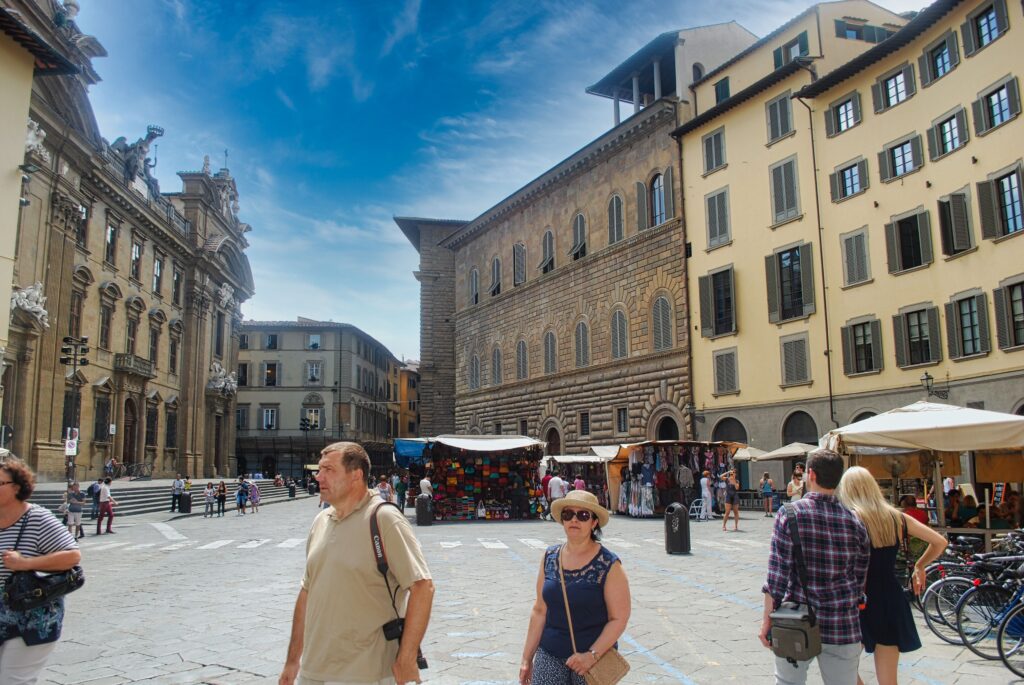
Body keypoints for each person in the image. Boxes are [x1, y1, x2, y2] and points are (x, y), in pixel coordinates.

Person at [279, 442, 434, 685]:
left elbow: (422, 587)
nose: (318, 476)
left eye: (329, 470)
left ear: (356, 475)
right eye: (319, 470)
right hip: (313, 672)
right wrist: (292, 661)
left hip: (369, 673)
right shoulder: (321, 521)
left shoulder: (384, 518)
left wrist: (406, 658)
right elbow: (307, 592)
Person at [759, 449, 871, 685]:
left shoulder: (789, 514)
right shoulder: (855, 522)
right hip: (843, 623)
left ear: (810, 474)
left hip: (796, 620)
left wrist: (767, 621)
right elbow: (860, 580)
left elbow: (776, 577)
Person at [836, 467, 948, 685]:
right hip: (890, 595)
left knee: (843, 667)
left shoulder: (849, 519)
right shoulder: (897, 518)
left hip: (858, 598)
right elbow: (939, 542)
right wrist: (920, 565)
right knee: (888, 680)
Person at [519, 490, 631, 684]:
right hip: (550, 653)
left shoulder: (608, 564)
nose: (574, 520)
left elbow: (619, 618)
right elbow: (540, 610)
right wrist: (526, 658)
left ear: (594, 522)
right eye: (568, 514)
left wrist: (591, 655)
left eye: (583, 515)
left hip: (593, 657)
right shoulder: (549, 557)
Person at [0, 452, 82, 684]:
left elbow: (72, 556)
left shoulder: (37, 518)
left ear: (17, 487)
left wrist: (25, 563)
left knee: (14, 680)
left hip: (32, 617)